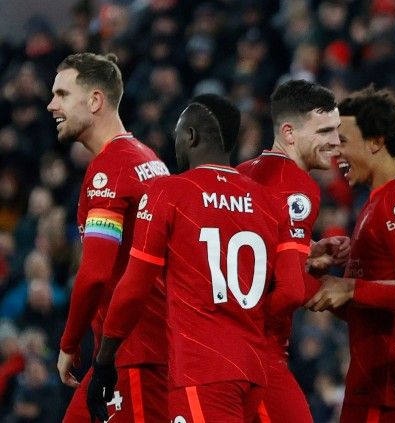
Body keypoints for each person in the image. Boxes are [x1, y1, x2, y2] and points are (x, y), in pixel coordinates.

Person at [86, 94, 305, 422]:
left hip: (201, 371)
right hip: (254, 369)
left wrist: (103, 360)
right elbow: (292, 291)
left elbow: (133, 289)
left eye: (177, 135)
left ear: (190, 136)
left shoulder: (168, 192)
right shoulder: (268, 202)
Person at [306, 86, 395, 422]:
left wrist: (351, 288)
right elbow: (374, 309)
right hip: (376, 384)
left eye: (343, 139)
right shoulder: (377, 201)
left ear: (376, 142)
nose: (333, 149)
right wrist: (322, 281)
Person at [47, 53, 169, 422]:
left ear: (95, 100)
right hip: (136, 348)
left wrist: (69, 343)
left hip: (137, 354)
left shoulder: (111, 170)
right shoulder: (148, 158)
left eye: (63, 94)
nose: (51, 105)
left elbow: (96, 273)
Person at [236, 79, 349, 423]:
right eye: (325, 131)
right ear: (289, 132)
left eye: (337, 130)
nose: (335, 142)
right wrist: (338, 294)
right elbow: (290, 292)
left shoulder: (243, 173)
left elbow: (251, 250)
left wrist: (308, 251)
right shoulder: (298, 186)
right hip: (259, 352)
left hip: (223, 348)